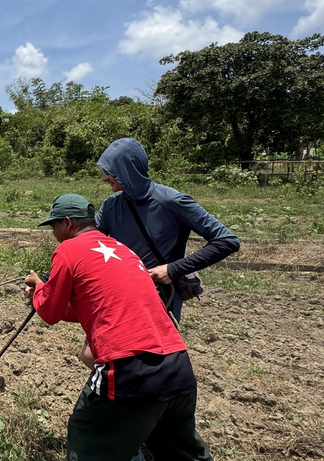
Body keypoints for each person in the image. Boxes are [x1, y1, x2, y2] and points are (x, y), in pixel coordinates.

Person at [24, 193, 213, 461]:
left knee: (88, 441)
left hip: (129, 371)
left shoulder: (68, 249)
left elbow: (50, 312)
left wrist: (37, 288)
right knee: (182, 453)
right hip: (177, 366)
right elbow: (98, 307)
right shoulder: (121, 249)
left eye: (54, 225)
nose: (53, 233)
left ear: (67, 223)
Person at [95, 138, 240, 323]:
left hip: (160, 300)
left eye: (109, 172)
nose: (104, 178)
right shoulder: (110, 206)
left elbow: (227, 241)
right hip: (120, 296)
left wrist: (172, 270)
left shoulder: (172, 201)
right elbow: (87, 245)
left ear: (127, 171)